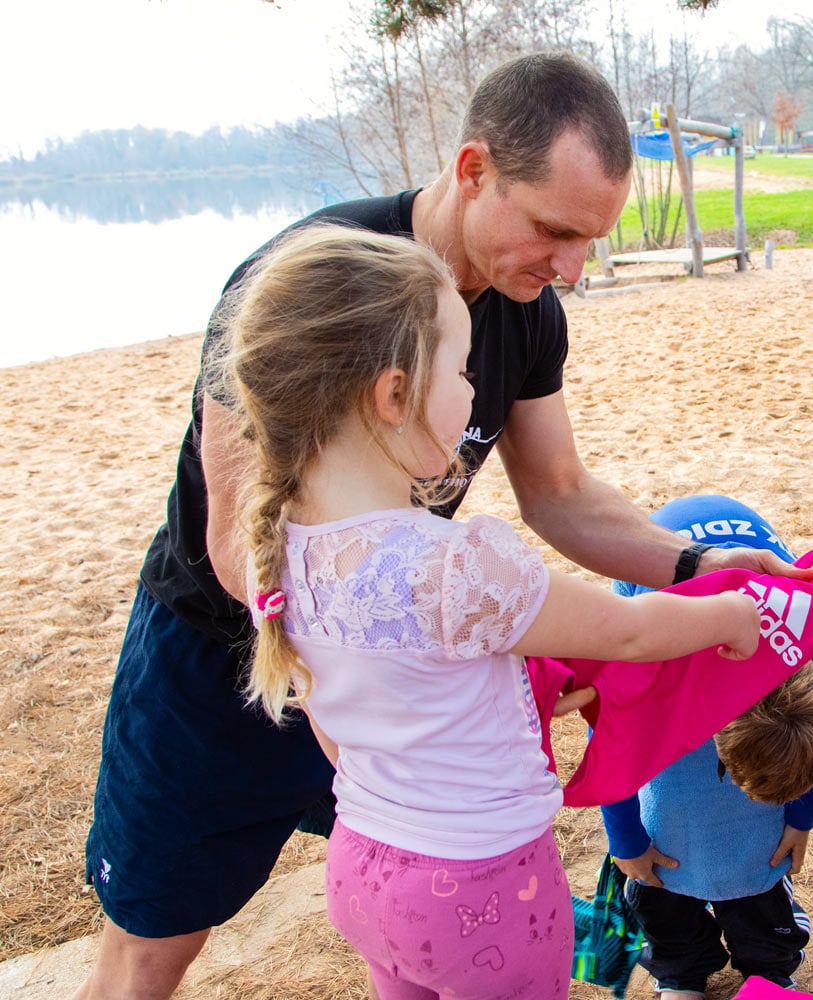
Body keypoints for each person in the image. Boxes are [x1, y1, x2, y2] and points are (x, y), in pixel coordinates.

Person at [77, 52, 803, 1000]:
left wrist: (696, 562)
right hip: (232, 653)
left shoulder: (525, 308)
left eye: (590, 240)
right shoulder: (313, 278)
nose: (572, 270)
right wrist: (343, 673)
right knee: (154, 945)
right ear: (473, 171)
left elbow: (559, 492)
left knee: (418, 920)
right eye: (553, 230)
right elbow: (232, 533)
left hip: (390, 674)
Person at [220, 224, 764, 1000]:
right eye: (463, 367)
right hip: (480, 888)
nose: (478, 390)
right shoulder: (457, 565)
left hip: (361, 866)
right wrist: (730, 615)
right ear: (395, 394)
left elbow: (343, 728)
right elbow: (630, 630)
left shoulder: (284, 546)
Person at [603, 495, 813, 999]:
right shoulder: (653, 642)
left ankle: (769, 966)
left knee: (753, 844)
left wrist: (803, 816)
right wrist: (626, 840)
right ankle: (679, 972)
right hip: (658, 566)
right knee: (667, 826)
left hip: (758, 592)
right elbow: (608, 738)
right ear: (717, 726)